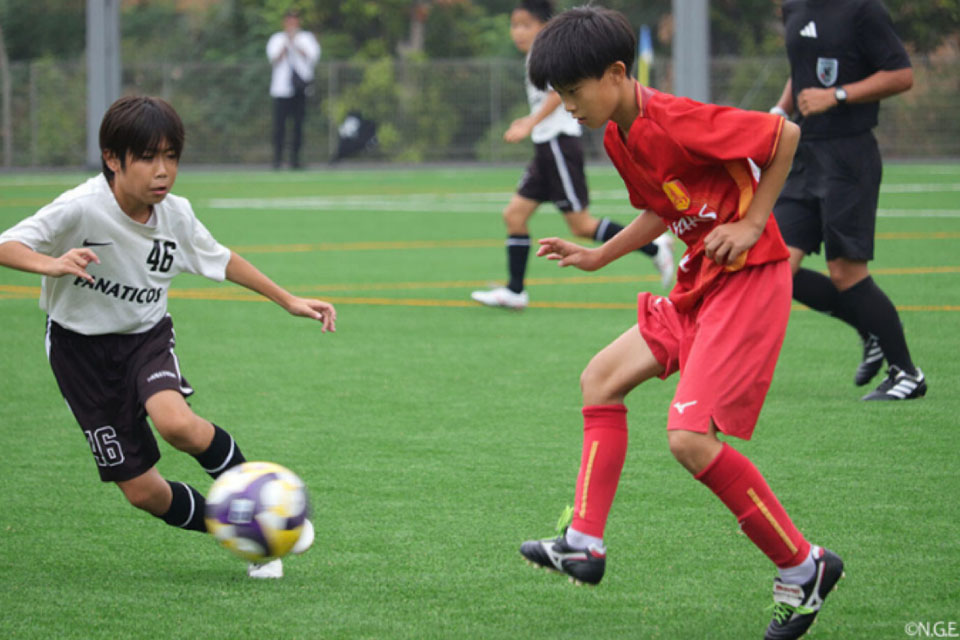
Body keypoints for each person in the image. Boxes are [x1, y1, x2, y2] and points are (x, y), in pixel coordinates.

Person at [516, 8, 842, 640]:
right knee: (600, 379)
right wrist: (598, 255)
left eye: (573, 92)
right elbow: (663, 208)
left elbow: (784, 139)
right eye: (558, 94)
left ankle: (804, 568)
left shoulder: (677, 118)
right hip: (702, 283)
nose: (567, 105)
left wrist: (751, 224)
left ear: (615, 73)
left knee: (689, 440)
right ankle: (583, 541)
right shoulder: (616, 134)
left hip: (749, 279)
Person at [0, 96, 336, 579]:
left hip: (144, 337)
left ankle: (268, 520)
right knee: (143, 493)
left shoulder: (176, 215)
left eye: (172, 157)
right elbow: (8, 244)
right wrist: (49, 262)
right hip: (80, 353)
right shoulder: (80, 209)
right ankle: (244, 533)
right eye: (148, 157)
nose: (163, 171)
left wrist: (288, 299)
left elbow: (221, 258)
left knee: (178, 424)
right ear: (113, 159)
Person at [470, 0, 673, 311]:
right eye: (515, 25)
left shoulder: (554, 56)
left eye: (525, 25)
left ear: (543, 25)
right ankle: (515, 291)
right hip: (545, 149)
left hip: (559, 144)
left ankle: (654, 246)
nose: (518, 32)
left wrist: (529, 122)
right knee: (514, 215)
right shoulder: (535, 59)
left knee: (580, 225)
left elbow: (555, 93)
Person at [771, 0, 924, 401]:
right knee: (773, 266)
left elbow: (902, 74)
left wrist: (837, 94)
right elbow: (800, 68)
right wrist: (778, 111)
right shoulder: (793, 9)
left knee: (846, 273)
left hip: (849, 158)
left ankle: (908, 373)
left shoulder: (864, 10)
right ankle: (864, 327)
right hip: (804, 155)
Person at [267, 8, 321, 169]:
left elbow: (313, 57)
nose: (292, 23)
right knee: (279, 127)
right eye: (289, 20)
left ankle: (295, 160)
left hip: (300, 89)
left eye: (295, 20)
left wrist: (296, 44)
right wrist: (286, 44)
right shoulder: (277, 39)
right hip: (281, 89)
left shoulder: (307, 38)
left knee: (298, 126)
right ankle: (277, 160)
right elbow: (274, 59)